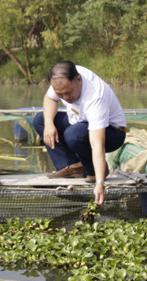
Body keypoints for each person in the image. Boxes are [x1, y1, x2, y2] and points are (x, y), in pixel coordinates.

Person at [32, 61, 127, 205]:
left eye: (68, 92)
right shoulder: (62, 78)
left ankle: (93, 172)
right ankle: (73, 165)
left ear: (79, 80)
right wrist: (49, 124)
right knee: (41, 120)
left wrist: (100, 183)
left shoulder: (95, 97)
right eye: (60, 94)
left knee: (73, 134)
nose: (65, 98)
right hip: (80, 123)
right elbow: (50, 98)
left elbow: (97, 144)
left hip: (113, 132)